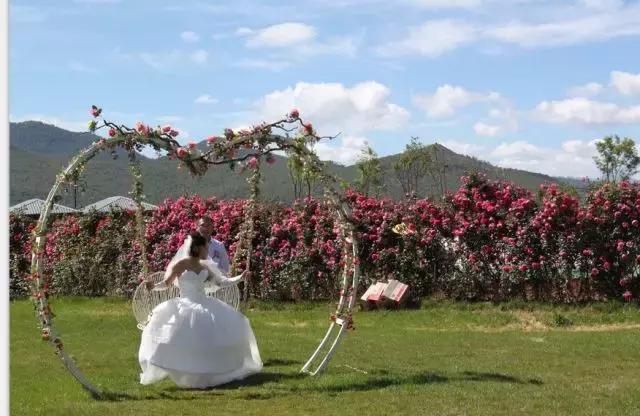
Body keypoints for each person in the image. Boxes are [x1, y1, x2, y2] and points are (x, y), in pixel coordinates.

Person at [138, 233, 262, 388]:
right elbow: (167, 283)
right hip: (185, 304)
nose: (208, 249)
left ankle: (206, 372)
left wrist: (240, 278)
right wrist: (154, 287)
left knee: (212, 334)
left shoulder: (205, 266)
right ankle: (183, 368)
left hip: (204, 303)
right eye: (206, 246)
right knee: (179, 337)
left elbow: (221, 283)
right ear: (197, 247)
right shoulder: (181, 264)